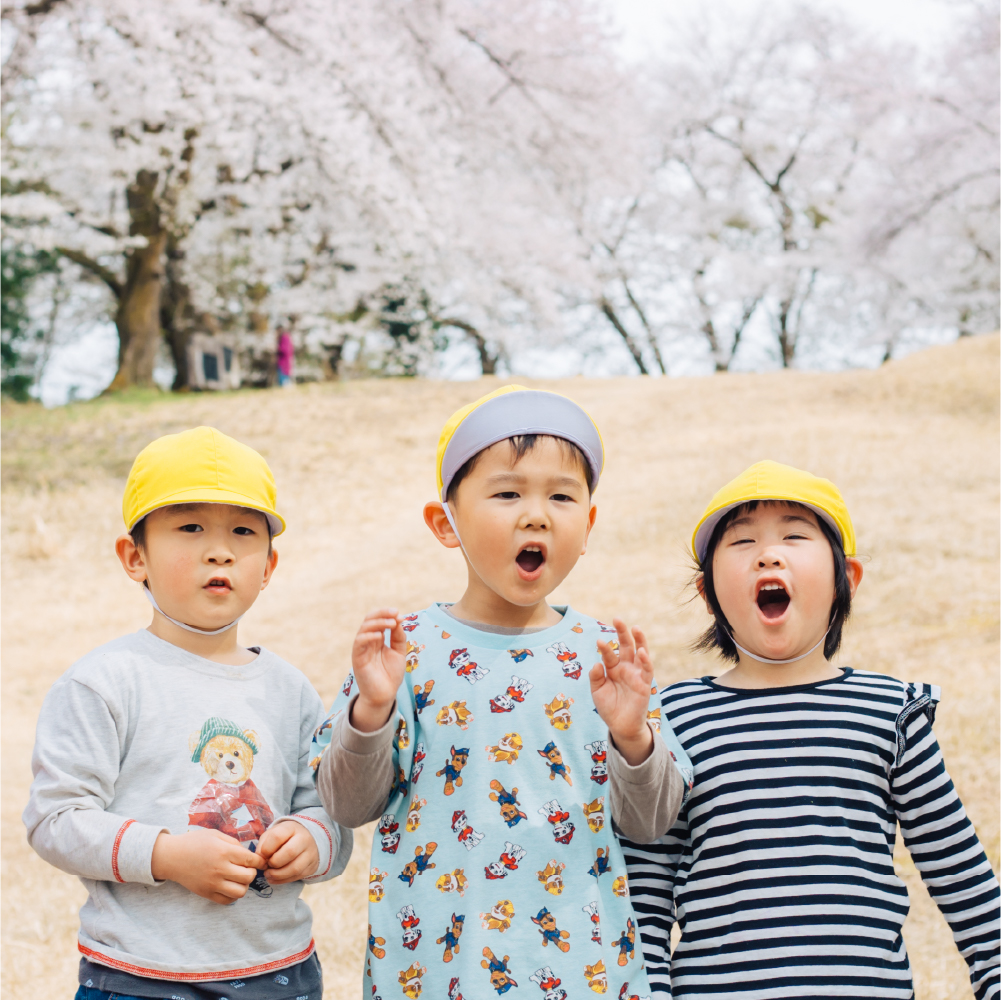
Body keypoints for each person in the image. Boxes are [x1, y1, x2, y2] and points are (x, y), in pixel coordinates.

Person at [311, 384, 694, 999]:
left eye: (562, 496)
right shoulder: (402, 652)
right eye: (508, 492)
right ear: (446, 522)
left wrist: (633, 737)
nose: (536, 514)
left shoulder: (605, 658)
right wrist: (371, 710)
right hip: (436, 970)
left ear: (588, 524)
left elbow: (651, 822)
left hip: (582, 973)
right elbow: (348, 805)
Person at [622, 460, 1000, 999]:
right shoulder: (676, 716)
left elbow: (958, 869)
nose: (768, 553)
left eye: (795, 536)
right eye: (741, 542)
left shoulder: (890, 711)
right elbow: (647, 890)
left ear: (846, 578)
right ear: (709, 592)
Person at [24, 426, 352, 1000]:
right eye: (190, 527)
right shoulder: (104, 682)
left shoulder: (290, 688)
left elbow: (327, 809)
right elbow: (55, 820)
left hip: (277, 971)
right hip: (138, 976)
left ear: (269, 566)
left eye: (243, 532)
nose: (219, 549)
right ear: (135, 556)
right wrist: (166, 854)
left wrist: (310, 839)